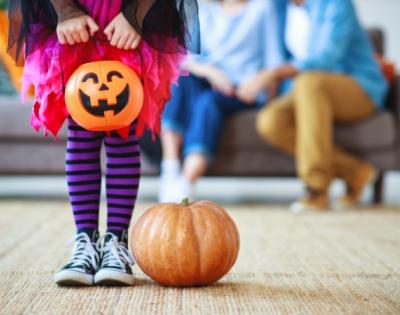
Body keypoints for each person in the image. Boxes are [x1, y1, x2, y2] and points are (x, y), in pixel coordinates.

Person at [7, 0, 198, 286]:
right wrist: (66, 11)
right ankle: (85, 239)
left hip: (128, 27)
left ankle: (116, 242)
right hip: (75, 28)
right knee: (82, 135)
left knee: (122, 133)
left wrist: (134, 14)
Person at [255, 0, 388, 212]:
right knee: (271, 120)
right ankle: (355, 171)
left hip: (360, 87)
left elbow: (325, 59)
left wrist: (276, 73)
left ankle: (316, 190)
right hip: (312, 90)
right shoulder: (287, 10)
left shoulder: (337, 4)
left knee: (309, 82)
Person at [159, 0, 284, 202]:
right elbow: (186, 58)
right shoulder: (208, 13)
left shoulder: (262, 8)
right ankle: (170, 168)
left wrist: (268, 96)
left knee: (208, 103)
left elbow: (273, 59)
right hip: (211, 80)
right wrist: (211, 72)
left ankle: (186, 181)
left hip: (244, 89)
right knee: (180, 81)